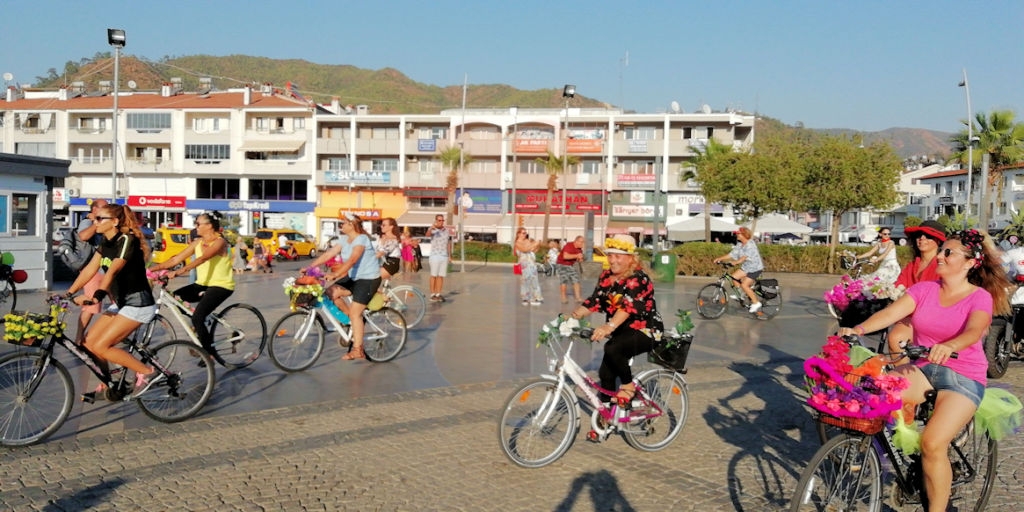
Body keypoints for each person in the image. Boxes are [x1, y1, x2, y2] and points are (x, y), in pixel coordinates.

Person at [838, 229, 1010, 512]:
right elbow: (891, 314)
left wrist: (950, 345)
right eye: (941, 251)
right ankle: (888, 457)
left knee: (931, 443)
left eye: (948, 252)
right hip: (923, 368)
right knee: (873, 390)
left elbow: (975, 329)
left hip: (963, 377)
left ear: (969, 263)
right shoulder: (924, 289)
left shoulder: (979, 297)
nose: (940, 256)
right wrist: (857, 329)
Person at [61, 203, 162, 397]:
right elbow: (90, 269)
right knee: (89, 343)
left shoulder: (126, 240)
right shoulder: (104, 243)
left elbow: (114, 269)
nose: (95, 221)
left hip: (138, 304)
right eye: (94, 218)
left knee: (102, 346)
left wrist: (97, 295)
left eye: (100, 218)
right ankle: (109, 384)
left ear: (114, 222)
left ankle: (149, 372)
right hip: (122, 303)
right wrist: (68, 293)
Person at [569, 234, 664, 404]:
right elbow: (594, 301)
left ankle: (628, 386)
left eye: (617, 256)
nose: (612, 260)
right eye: (610, 255)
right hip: (622, 331)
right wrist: (571, 318)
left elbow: (627, 307)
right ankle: (606, 416)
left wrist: (608, 327)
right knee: (606, 374)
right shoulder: (606, 277)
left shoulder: (638, 278)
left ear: (630, 258)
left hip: (645, 330)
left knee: (613, 349)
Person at [150, 212, 234, 356]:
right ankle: (203, 319)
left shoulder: (220, 242)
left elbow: (203, 258)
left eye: (198, 224)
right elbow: (175, 260)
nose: (195, 227)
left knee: (197, 317)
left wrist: (179, 272)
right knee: (176, 298)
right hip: (202, 284)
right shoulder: (197, 243)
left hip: (222, 285)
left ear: (209, 226)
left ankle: (209, 354)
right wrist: (151, 269)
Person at [303, 212, 382, 361]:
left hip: (368, 279)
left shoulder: (362, 239)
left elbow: (353, 259)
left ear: (352, 225)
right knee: (330, 292)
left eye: (344, 223)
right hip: (353, 277)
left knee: (355, 313)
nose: (341, 225)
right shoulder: (344, 239)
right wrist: (310, 267)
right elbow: (329, 254)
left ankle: (358, 349)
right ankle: (351, 321)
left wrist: (335, 274)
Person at [887, 220, 948, 353]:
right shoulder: (912, 265)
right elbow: (898, 285)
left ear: (938, 241)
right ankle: (901, 373)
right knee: (894, 339)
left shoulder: (943, 266)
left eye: (928, 236)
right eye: (919, 235)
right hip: (908, 316)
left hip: (933, 318)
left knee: (896, 338)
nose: (922, 238)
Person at [73, 198, 108, 345]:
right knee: (90, 306)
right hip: (93, 271)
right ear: (94, 210)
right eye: (104, 207)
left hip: (107, 270)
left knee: (119, 303)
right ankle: (79, 339)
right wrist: (96, 221)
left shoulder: (106, 222)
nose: (107, 210)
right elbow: (83, 236)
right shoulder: (87, 222)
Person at [713, 227, 765, 313]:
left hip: (755, 268)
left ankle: (756, 303)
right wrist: (719, 258)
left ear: (744, 235)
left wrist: (735, 262)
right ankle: (740, 295)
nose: (736, 235)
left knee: (745, 285)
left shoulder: (750, 245)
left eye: (738, 234)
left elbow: (742, 259)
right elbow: (732, 254)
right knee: (733, 277)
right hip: (746, 267)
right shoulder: (740, 244)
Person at [514, 228, 543, 306]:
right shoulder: (518, 243)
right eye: (523, 233)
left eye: (525, 233)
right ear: (518, 234)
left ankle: (536, 297)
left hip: (532, 263)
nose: (525, 235)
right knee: (525, 281)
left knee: (534, 280)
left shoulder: (527, 241)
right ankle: (526, 298)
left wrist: (538, 245)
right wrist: (534, 244)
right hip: (524, 264)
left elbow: (533, 250)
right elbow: (525, 249)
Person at [427, 214, 451, 302]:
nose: (441, 222)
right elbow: (427, 235)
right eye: (439, 220)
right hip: (435, 255)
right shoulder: (433, 229)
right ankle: (432, 294)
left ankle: (438, 293)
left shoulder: (446, 230)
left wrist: (449, 255)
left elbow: (448, 243)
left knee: (441, 276)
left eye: (442, 220)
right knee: (433, 275)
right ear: (436, 221)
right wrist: (432, 227)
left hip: (444, 255)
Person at [557, 236, 585, 303]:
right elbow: (565, 256)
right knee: (564, 280)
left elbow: (579, 259)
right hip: (562, 264)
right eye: (581, 242)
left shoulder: (579, 249)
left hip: (570, 265)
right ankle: (563, 297)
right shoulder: (569, 245)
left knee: (576, 280)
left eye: (583, 242)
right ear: (576, 241)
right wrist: (576, 256)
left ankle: (578, 297)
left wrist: (580, 259)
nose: (582, 244)